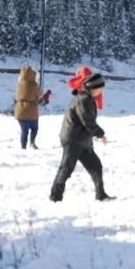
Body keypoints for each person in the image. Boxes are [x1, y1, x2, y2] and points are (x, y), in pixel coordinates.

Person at [49, 71, 112, 202]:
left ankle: (101, 194)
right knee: (66, 169)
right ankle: (55, 197)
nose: (100, 91)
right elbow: (87, 121)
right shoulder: (82, 99)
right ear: (92, 88)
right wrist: (100, 134)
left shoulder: (88, 98)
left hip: (82, 140)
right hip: (73, 139)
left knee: (96, 165)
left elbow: (88, 123)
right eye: (99, 88)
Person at [14, 66, 41, 150]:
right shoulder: (34, 85)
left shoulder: (19, 84)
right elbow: (39, 96)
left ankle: (23, 147)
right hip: (31, 110)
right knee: (35, 128)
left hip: (20, 110)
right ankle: (32, 142)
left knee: (24, 131)